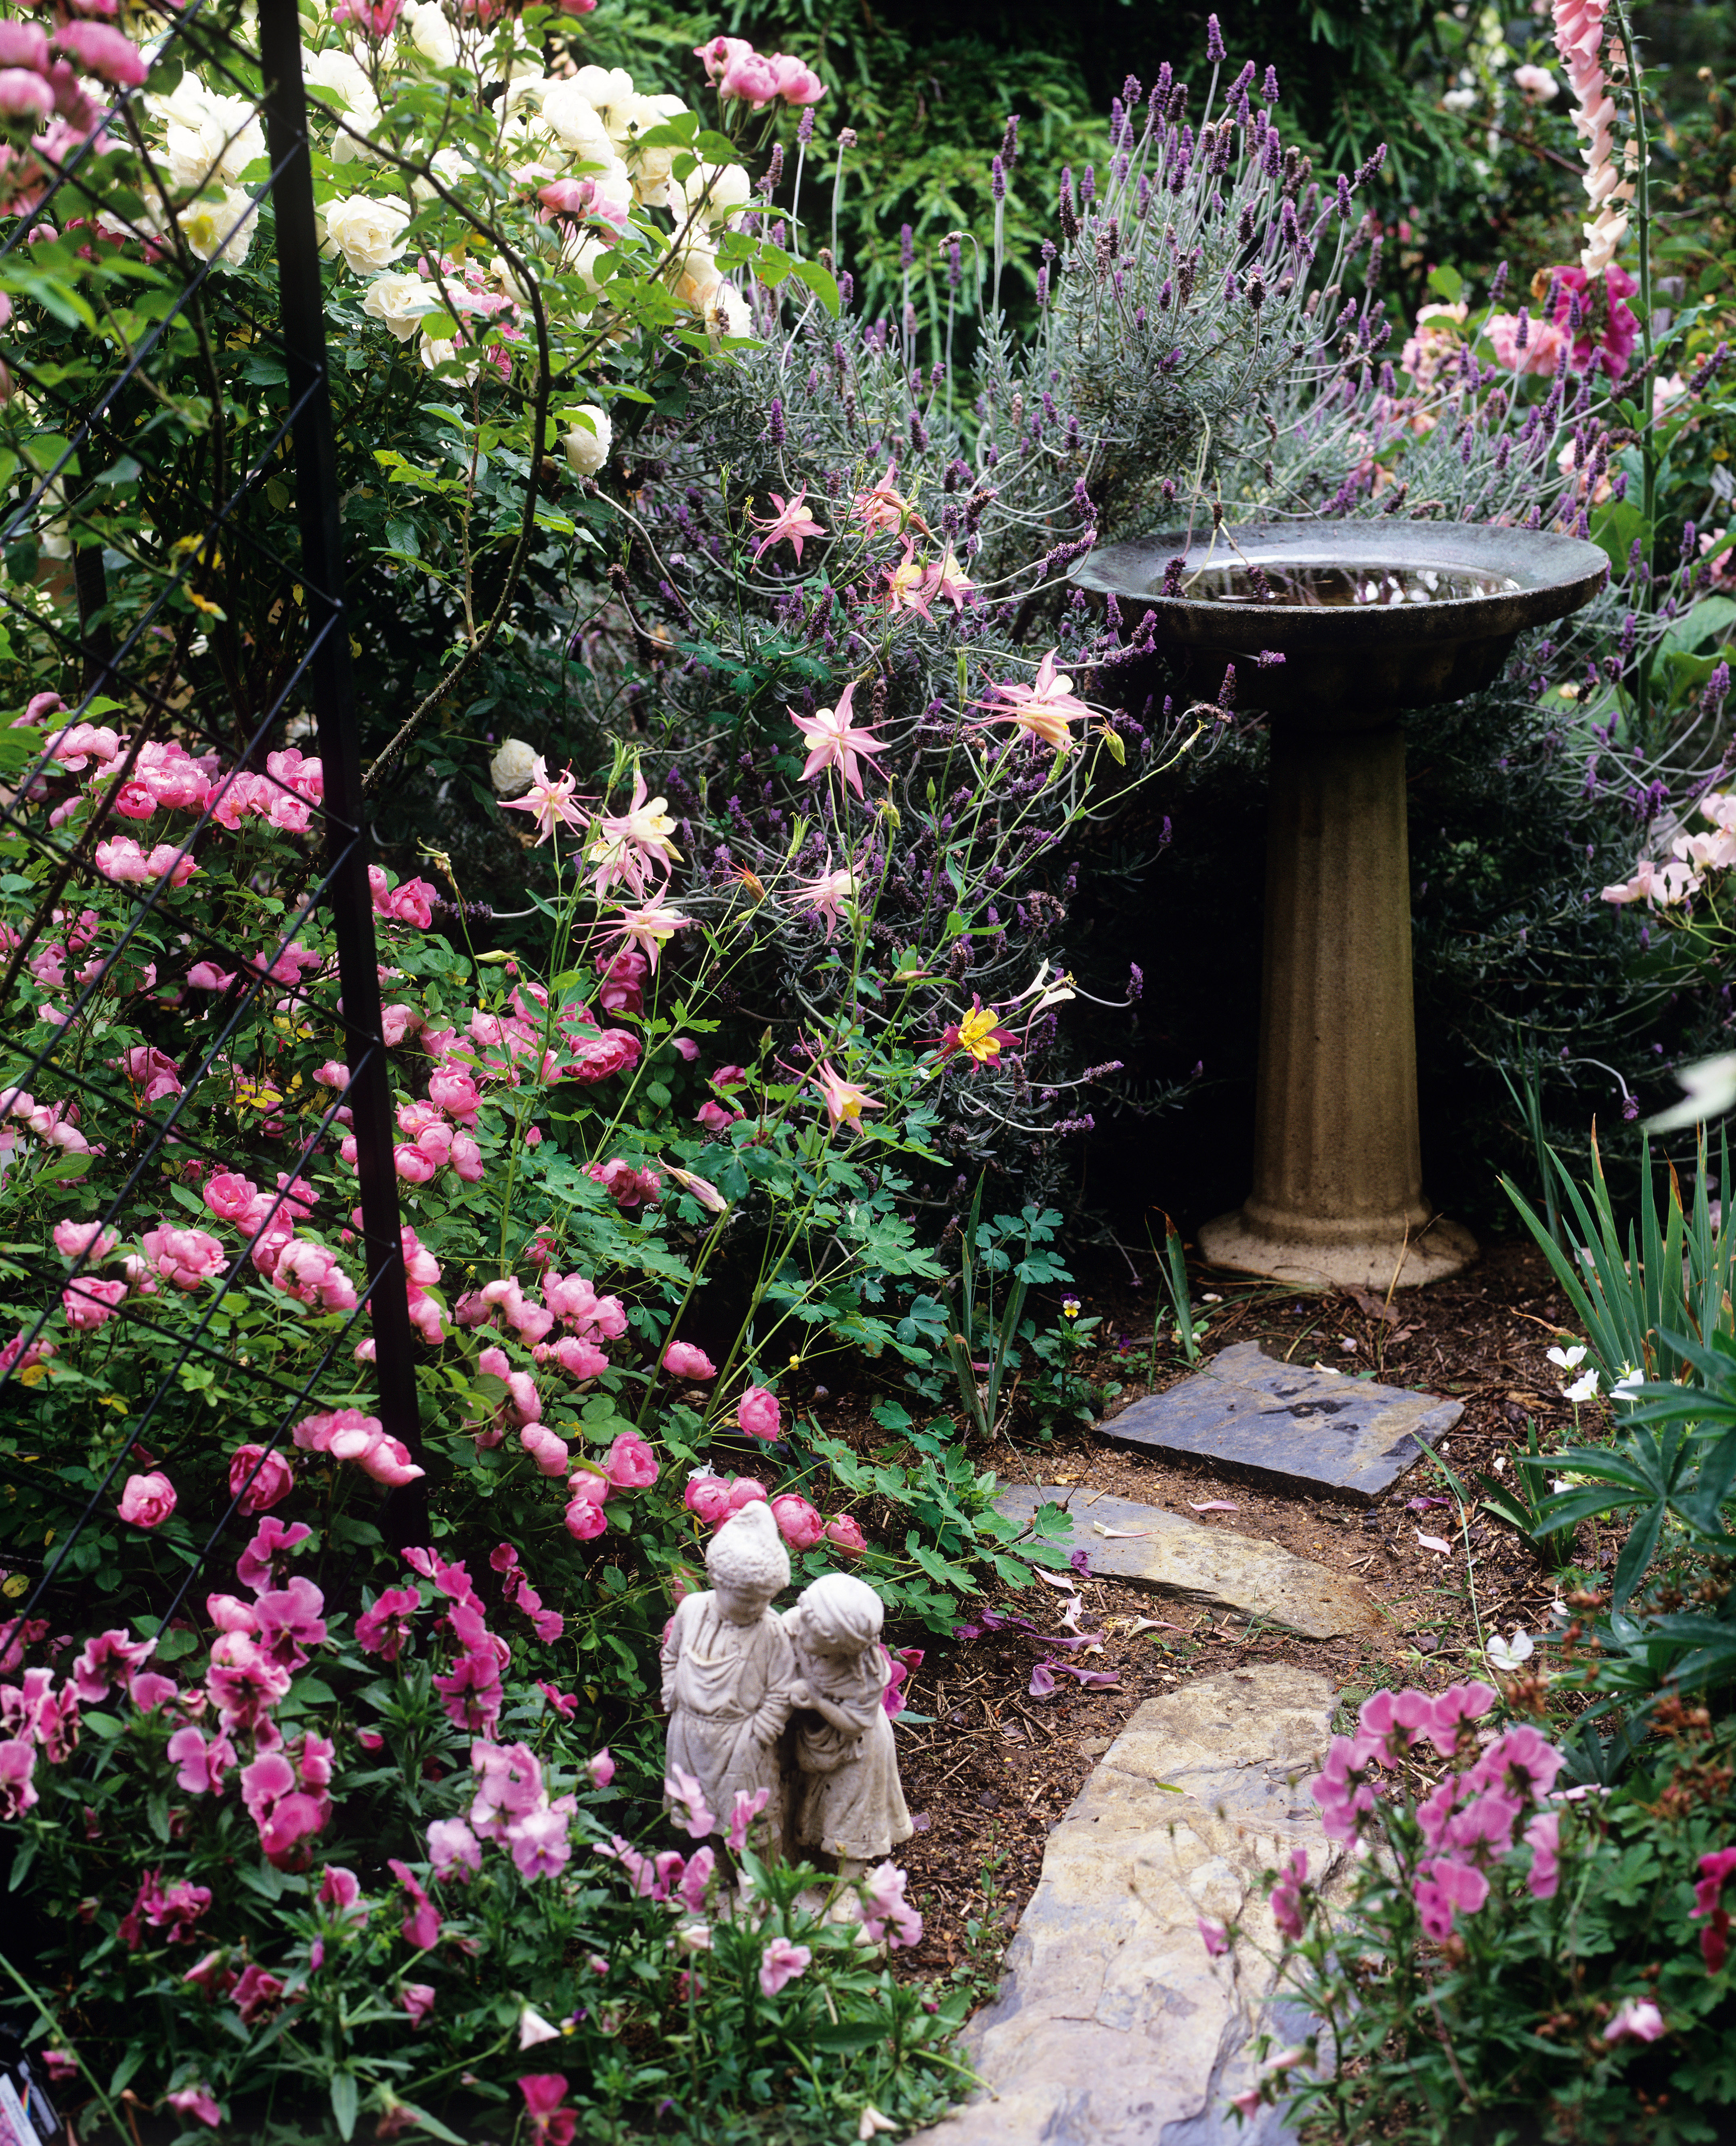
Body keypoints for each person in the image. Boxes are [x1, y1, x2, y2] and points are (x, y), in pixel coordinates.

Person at [660, 1499, 797, 1837]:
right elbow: (672, 1655)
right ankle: (715, 1876)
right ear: (717, 1580)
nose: (756, 1608)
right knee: (698, 1813)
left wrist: (760, 1732)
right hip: (688, 1731)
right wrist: (671, 1690)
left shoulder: (771, 1630)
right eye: (746, 1599)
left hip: (740, 1738)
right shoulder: (692, 1610)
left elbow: (782, 1688)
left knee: (745, 1819)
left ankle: (753, 1880)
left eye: (763, 1600)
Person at [785, 1571, 913, 1869]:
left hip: (860, 1745)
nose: (800, 1631)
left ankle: (847, 1887)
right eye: (804, 1619)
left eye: (811, 1634)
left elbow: (855, 1723)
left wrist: (817, 1700)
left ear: (839, 1646)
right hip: (819, 1739)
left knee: (853, 1815)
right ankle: (816, 1865)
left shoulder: (862, 1675)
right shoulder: (802, 1620)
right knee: (818, 1807)